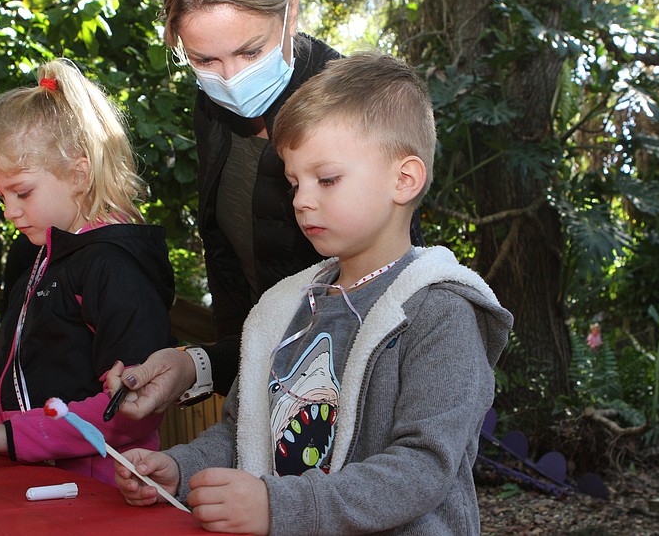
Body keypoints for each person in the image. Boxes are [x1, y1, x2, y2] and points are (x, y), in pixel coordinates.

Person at [114, 52, 513, 535]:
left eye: (326, 179)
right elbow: (243, 433)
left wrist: (278, 506)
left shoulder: (439, 313)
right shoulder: (282, 309)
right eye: (293, 182)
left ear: (403, 180)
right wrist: (181, 470)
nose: (302, 200)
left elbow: (421, 468)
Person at [107, 0, 424, 419]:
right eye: (204, 60)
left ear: (291, 11)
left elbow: (385, 298)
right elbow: (240, 287)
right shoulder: (210, 111)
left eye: (251, 52)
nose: (231, 79)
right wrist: (198, 365)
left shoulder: (351, 115)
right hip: (265, 399)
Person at [0, 59, 175, 486]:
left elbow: (130, 411)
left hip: (102, 490)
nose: (9, 211)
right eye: (0, 195)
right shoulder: (45, 257)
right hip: (50, 487)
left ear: (79, 174)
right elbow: (36, 401)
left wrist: (5, 437)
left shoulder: (112, 264)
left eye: (22, 192)